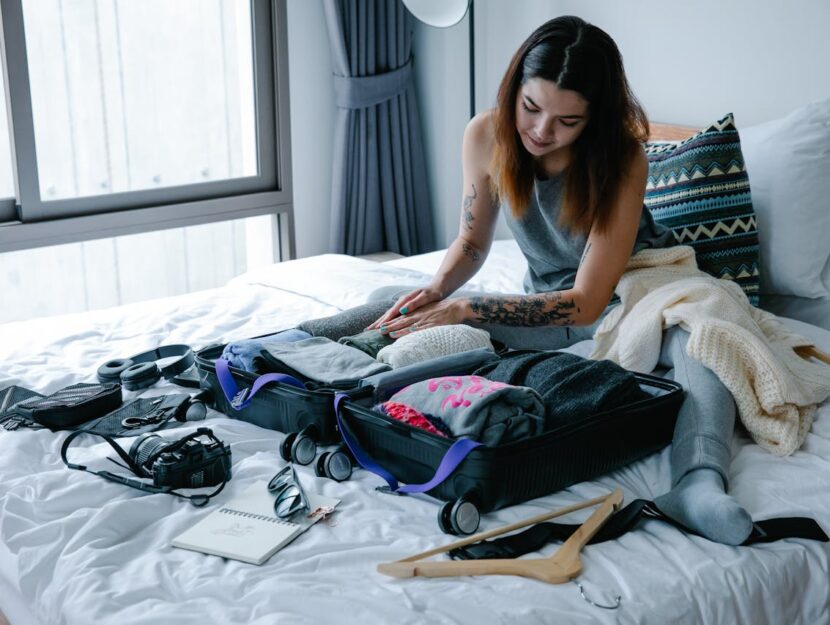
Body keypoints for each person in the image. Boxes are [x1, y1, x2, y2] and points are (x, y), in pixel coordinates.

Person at [366, 15, 753, 545]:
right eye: (531, 108)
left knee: (705, 342)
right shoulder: (484, 134)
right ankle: (341, 387)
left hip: (635, 291)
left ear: (593, 120)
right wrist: (436, 292)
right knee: (392, 304)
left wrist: (467, 309)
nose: (542, 131)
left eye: (567, 121)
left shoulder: (622, 159)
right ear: (513, 91)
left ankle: (698, 483)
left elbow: (589, 303)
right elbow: (473, 244)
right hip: (551, 305)